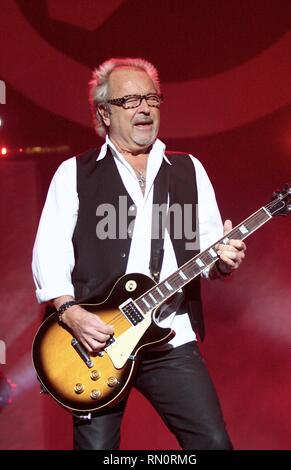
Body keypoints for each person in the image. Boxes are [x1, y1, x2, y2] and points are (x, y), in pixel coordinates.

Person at [32, 57, 246, 450]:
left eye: (151, 98)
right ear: (104, 113)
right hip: (97, 341)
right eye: (130, 100)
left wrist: (224, 260)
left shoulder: (188, 170)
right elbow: (49, 252)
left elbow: (210, 252)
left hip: (170, 337)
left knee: (213, 444)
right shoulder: (74, 173)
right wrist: (70, 312)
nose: (145, 108)